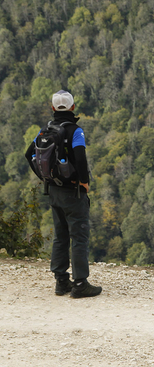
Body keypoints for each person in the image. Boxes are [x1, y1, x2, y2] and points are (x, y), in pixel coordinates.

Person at [25, 90, 102, 298]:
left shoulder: (44, 130)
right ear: (73, 107)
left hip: (54, 191)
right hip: (73, 193)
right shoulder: (75, 131)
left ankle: (61, 282)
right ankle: (80, 284)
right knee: (79, 236)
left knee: (61, 236)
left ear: (52, 109)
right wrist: (84, 182)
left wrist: (45, 178)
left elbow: (28, 153)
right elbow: (80, 158)